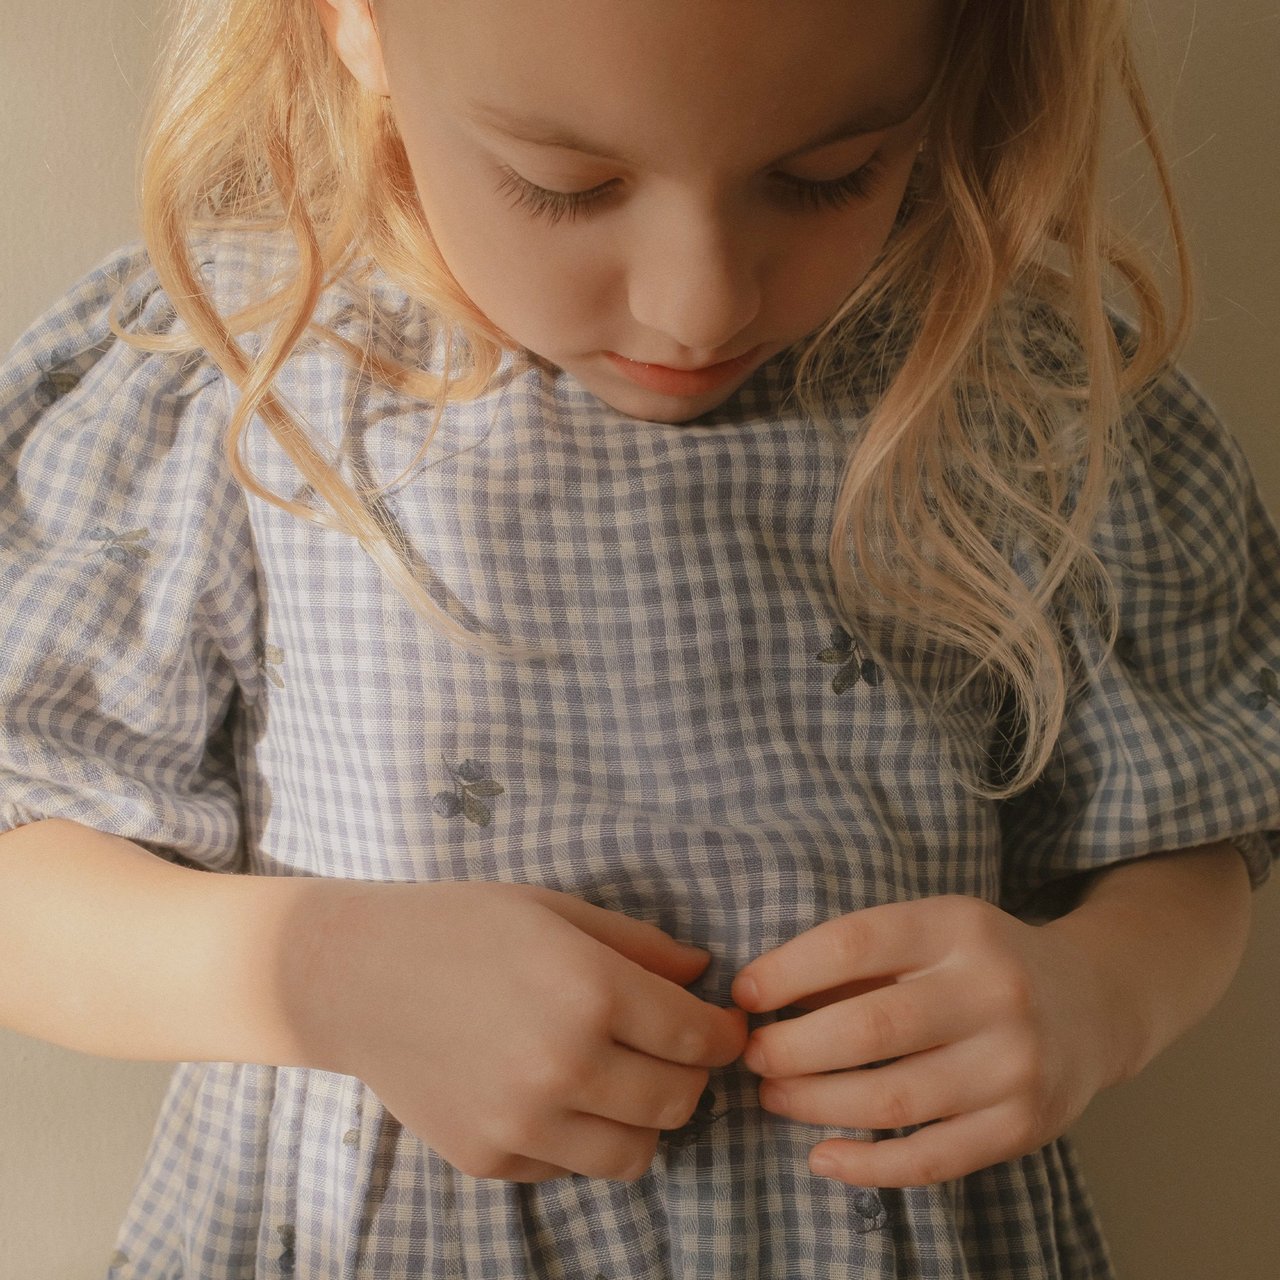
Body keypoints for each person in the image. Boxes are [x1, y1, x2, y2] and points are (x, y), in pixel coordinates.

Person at [1, 0, 1275, 1275]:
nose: (698, 304)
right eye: (566, 185)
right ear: (354, 23)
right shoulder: (237, 361)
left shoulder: (1005, 378)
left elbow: (1194, 819)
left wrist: (1099, 994)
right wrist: (327, 975)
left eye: (825, 174)